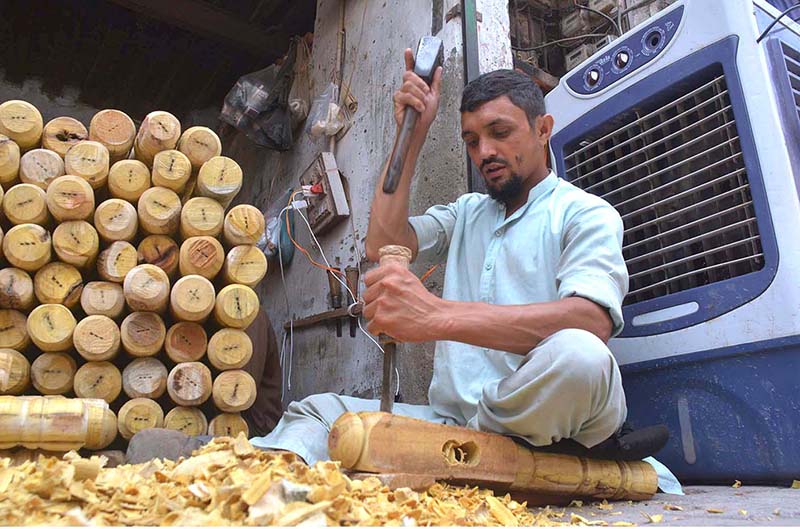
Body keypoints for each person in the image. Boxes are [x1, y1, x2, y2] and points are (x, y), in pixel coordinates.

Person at [250, 49, 679, 491]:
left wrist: (435, 317)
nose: (485, 151)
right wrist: (409, 134)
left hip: (549, 419)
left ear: (543, 130)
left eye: (500, 133)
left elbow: (591, 321)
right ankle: (263, 489)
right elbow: (383, 242)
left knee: (581, 355)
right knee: (320, 411)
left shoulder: (585, 213)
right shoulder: (468, 213)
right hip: (456, 424)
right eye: (472, 141)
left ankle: (492, 450)